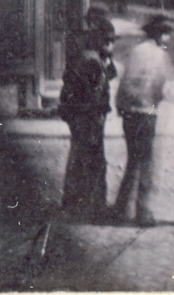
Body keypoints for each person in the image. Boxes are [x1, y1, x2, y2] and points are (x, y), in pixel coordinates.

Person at [112, 13, 174, 226]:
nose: (167, 39)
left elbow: (125, 82)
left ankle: (122, 208)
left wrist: (121, 106)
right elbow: (162, 85)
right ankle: (143, 211)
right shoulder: (160, 56)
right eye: (166, 34)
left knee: (133, 160)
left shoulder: (136, 51)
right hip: (147, 112)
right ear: (159, 34)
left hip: (129, 112)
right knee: (147, 162)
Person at [58, 19, 117, 222]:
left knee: (79, 158)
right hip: (88, 117)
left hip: (80, 116)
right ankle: (93, 207)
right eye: (109, 41)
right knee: (93, 161)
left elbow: (111, 74)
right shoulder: (91, 62)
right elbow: (93, 95)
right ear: (100, 41)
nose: (112, 46)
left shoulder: (90, 57)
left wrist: (108, 59)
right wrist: (98, 116)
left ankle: (74, 203)